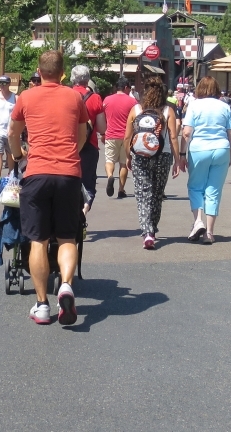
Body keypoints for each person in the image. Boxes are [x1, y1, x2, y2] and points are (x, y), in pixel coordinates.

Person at [8, 50, 88, 326]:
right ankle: (65, 284)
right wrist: (70, 155)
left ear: (39, 71)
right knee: (67, 237)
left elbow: (12, 133)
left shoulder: (26, 97)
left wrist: (20, 156)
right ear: (63, 72)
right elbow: (83, 134)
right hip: (68, 174)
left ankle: (42, 305)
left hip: (37, 173)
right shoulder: (75, 97)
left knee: (38, 241)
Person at [122, 76, 182, 250]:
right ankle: (152, 229)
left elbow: (127, 137)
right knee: (157, 193)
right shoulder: (167, 111)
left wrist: (128, 156)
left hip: (140, 155)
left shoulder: (136, 109)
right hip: (162, 156)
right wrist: (177, 160)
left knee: (142, 193)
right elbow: (172, 137)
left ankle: (146, 231)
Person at [182, 76, 231, 243]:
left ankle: (198, 221)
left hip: (199, 149)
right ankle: (210, 233)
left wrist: (181, 155)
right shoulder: (224, 106)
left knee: (195, 186)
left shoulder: (194, 105)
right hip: (221, 148)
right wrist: (230, 155)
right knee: (214, 190)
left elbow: (186, 132)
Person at [69, 65, 107, 216]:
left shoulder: (66, 94)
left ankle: (69, 213)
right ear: (88, 79)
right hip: (89, 146)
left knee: (69, 182)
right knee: (88, 184)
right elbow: (103, 128)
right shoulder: (95, 98)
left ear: (73, 78)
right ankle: (83, 210)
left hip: (69, 145)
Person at [103, 76, 138, 198]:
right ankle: (121, 189)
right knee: (124, 163)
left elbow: (103, 118)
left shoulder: (107, 100)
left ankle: (110, 176)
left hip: (111, 134)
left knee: (109, 160)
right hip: (126, 137)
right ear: (126, 87)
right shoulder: (132, 102)